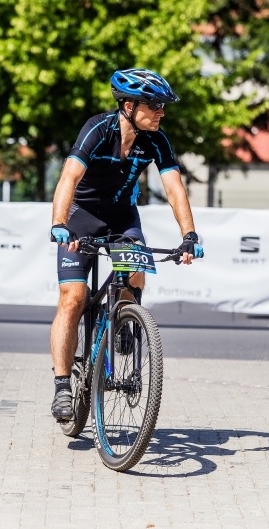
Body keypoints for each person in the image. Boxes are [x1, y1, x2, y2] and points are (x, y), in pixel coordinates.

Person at [48, 67, 204, 421]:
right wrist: (59, 224)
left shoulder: (157, 140)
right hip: (81, 216)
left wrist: (189, 235)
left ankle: (125, 321)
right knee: (72, 299)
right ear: (130, 105)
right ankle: (61, 387)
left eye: (163, 106)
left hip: (122, 217)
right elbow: (69, 177)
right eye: (156, 105)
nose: (162, 112)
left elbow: (174, 188)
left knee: (135, 270)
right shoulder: (97, 129)